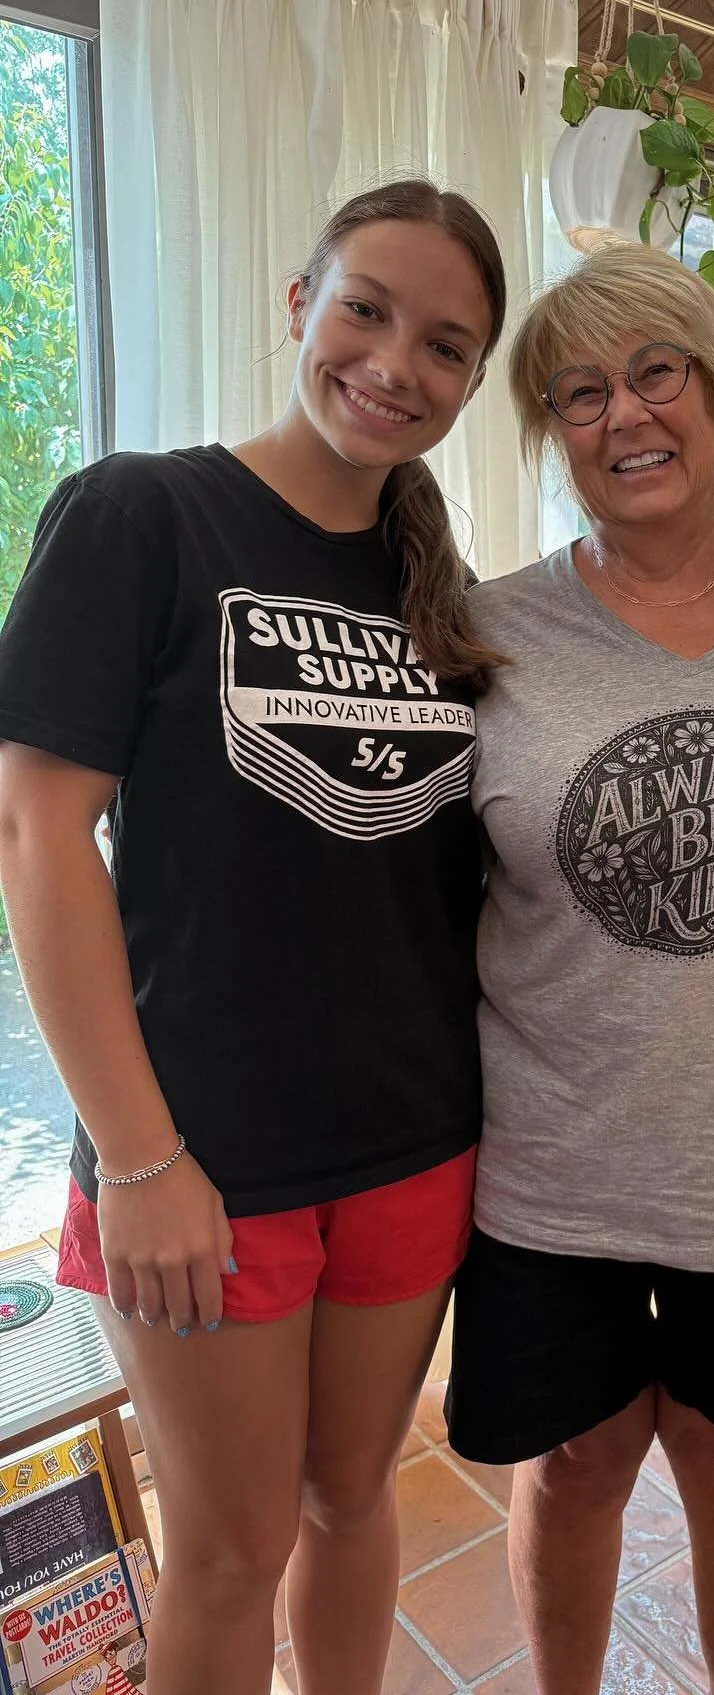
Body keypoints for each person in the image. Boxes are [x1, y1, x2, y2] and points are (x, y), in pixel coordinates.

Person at [0, 181, 506, 1695]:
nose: (395, 365)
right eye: (368, 311)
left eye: (446, 346)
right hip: (205, 1161)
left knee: (356, 1506)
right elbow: (37, 840)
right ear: (300, 305)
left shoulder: (444, 593)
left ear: (475, 384)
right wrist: (139, 1159)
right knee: (228, 1559)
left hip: (415, 1143)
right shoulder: (142, 512)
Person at [445, 241, 714, 1695]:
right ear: (549, 433)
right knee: (577, 1468)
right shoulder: (487, 635)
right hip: (555, 1164)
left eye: (657, 372)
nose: (625, 417)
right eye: (578, 394)